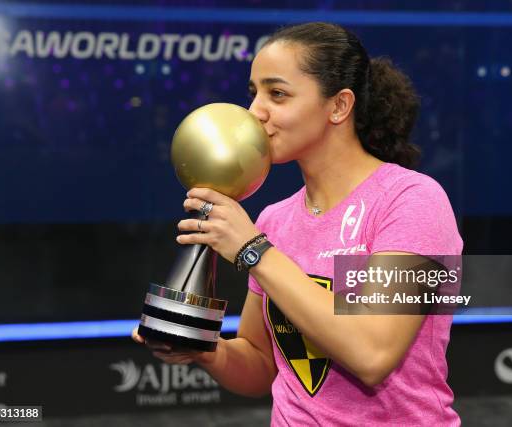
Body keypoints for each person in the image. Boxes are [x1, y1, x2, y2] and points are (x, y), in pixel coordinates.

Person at [133, 22, 462, 426]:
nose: (254, 113)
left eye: (278, 94)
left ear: (339, 106)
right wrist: (204, 349)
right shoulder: (274, 219)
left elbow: (372, 354)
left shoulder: (413, 200)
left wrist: (254, 250)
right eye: (254, 94)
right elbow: (260, 365)